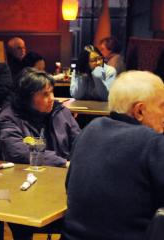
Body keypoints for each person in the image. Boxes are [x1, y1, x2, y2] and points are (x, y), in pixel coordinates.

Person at [63, 71, 164, 240]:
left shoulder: (90, 129)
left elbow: (68, 186)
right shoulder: (152, 142)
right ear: (139, 111)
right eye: (162, 106)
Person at [0, 67, 80, 167]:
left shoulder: (60, 111)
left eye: (52, 92)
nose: (52, 98)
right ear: (27, 97)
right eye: (45, 94)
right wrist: (62, 163)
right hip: (26, 175)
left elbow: (79, 141)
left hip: (64, 172)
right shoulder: (9, 117)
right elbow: (16, 151)